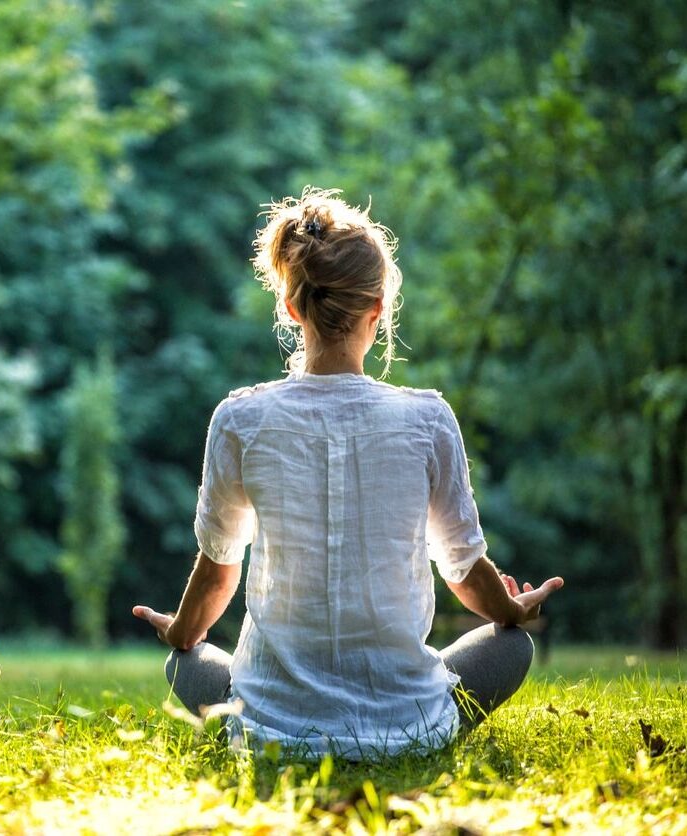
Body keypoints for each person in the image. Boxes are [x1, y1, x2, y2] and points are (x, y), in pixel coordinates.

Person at [132, 187, 564, 759]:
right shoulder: (427, 419)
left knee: (183, 662)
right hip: (406, 725)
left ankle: (268, 716)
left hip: (271, 732)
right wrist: (512, 610)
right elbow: (463, 569)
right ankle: (410, 730)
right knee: (512, 649)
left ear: (291, 307)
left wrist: (182, 633)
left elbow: (218, 573)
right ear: (377, 310)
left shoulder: (240, 418)